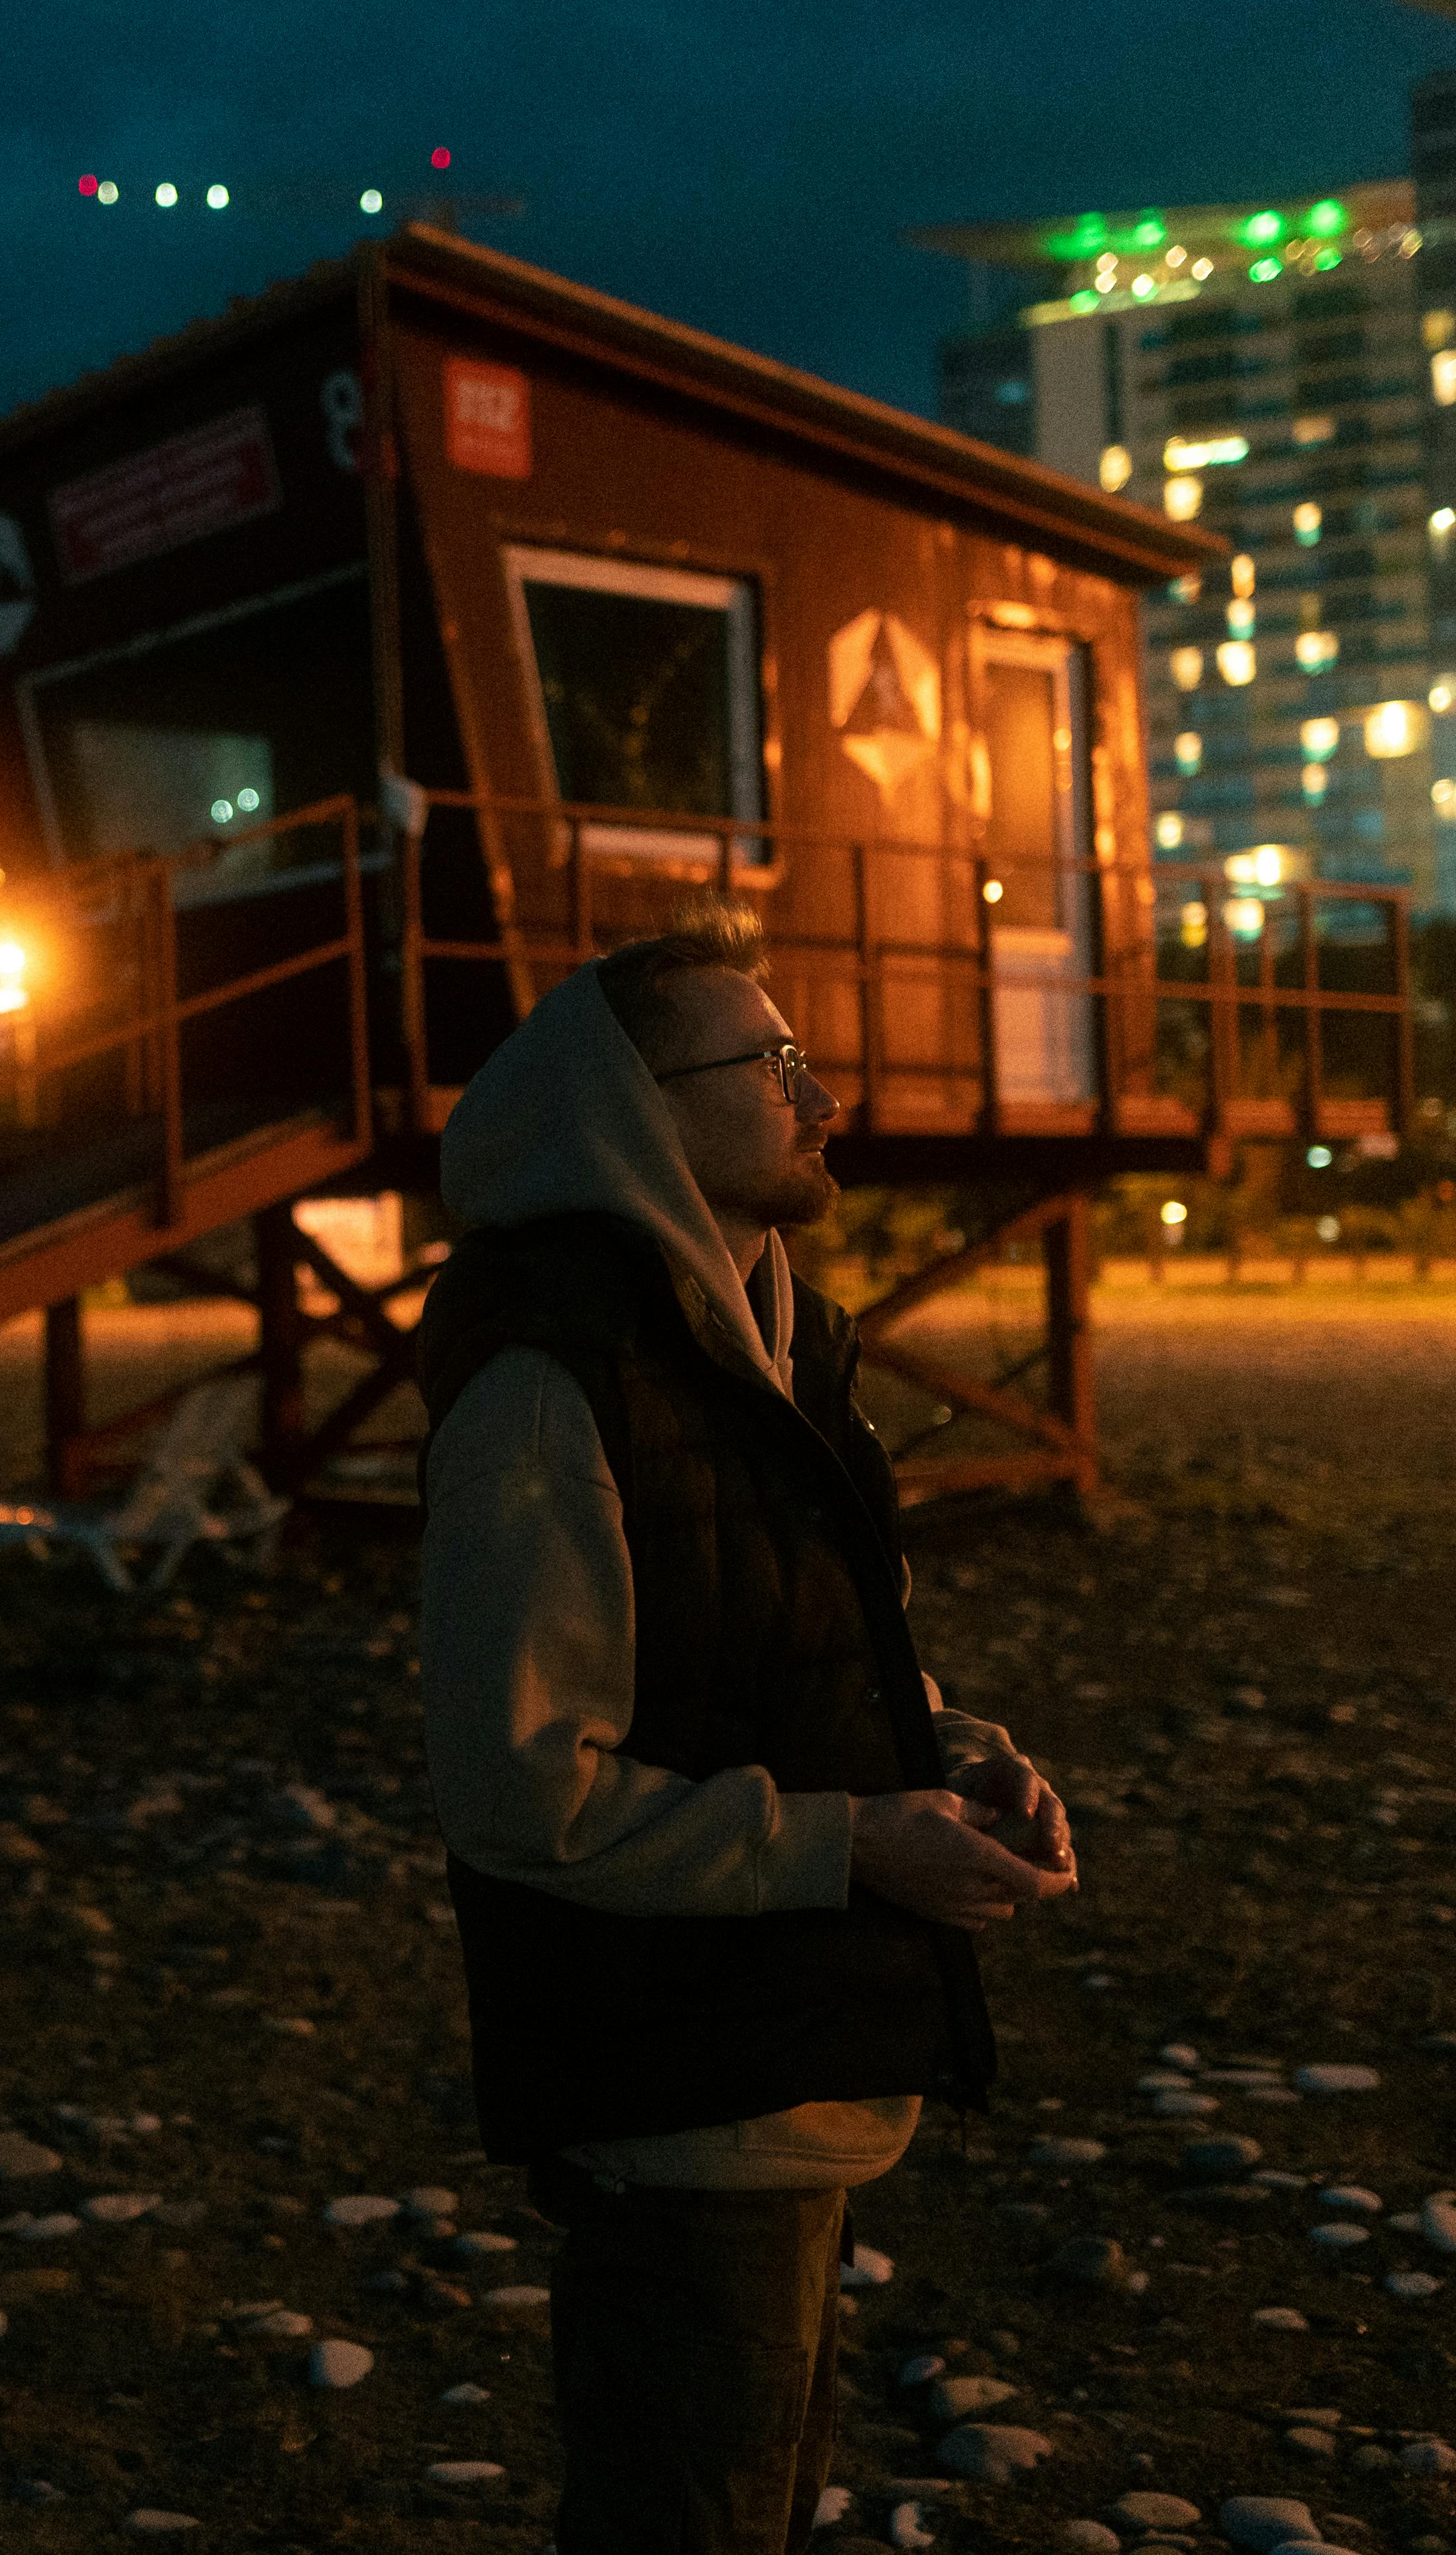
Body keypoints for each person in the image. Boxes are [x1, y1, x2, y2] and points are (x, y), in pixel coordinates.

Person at [416, 905, 1079, 2552]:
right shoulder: (554, 1385)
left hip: (779, 2060)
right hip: (680, 2086)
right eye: (773, 1062)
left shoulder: (774, 1334)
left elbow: (798, 1649)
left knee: (756, 2498)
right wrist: (857, 1838)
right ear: (636, 1108)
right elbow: (524, 1789)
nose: (821, 1093)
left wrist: (958, 1757)